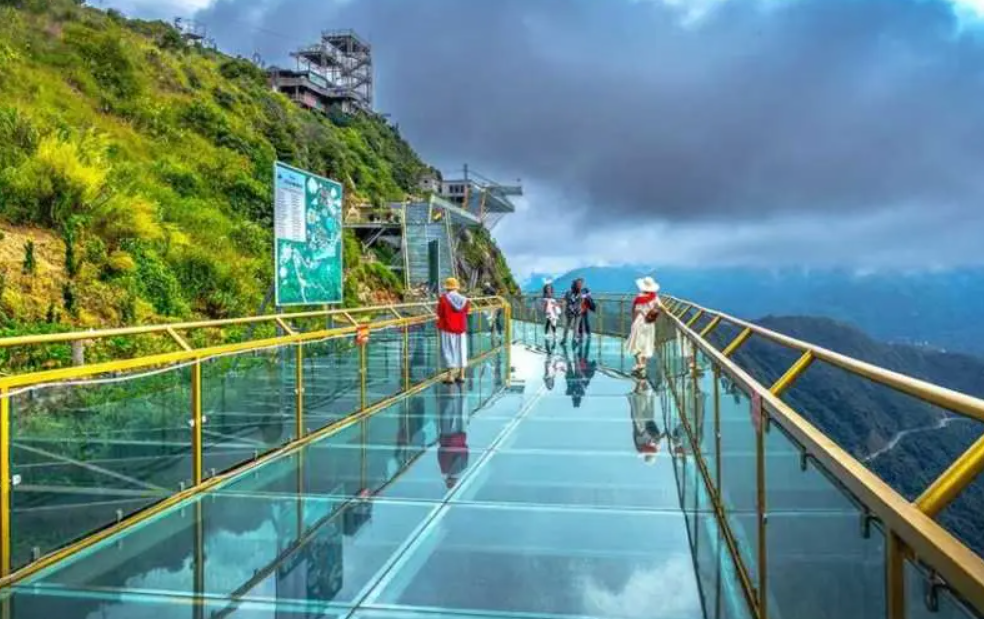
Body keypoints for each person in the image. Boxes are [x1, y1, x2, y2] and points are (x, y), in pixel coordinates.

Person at [437, 277, 470, 384]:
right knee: (461, 350)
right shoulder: (464, 300)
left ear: (447, 288)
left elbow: (440, 313)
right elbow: (466, 312)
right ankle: (462, 375)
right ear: (456, 287)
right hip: (461, 329)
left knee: (448, 350)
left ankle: (450, 376)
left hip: (447, 328)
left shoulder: (443, 299)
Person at [626, 276, 661, 377]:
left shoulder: (639, 297)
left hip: (640, 321)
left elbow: (636, 310)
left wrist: (633, 321)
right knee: (647, 343)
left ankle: (639, 364)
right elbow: (660, 306)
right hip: (650, 323)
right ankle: (643, 365)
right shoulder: (655, 297)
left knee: (635, 343)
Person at [437, 381, 469, 489]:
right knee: (449, 410)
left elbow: (466, 451)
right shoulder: (446, 469)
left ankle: (460, 385)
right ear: (449, 481)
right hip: (448, 438)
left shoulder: (463, 467)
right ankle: (450, 385)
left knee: (461, 410)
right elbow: (441, 453)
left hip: (461, 438)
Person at [628, 379, 661, 464]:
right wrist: (653, 439)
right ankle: (642, 379)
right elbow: (657, 434)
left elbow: (637, 435)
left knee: (638, 400)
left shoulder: (640, 447)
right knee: (645, 397)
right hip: (647, 422)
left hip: (641, 424)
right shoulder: (656, 445)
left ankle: (640, 380)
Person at [562, 279, 586, 343]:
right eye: (579, 284)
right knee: (568, 325)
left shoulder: (580, 293)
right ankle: (565, 338)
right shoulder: (571, 292)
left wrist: (581, 308)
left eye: (581, 284)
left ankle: (572, 338)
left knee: (575, 325)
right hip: (571, 311)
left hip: (577, 310)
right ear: (575, 285)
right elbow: (565, 300)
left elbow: (582, 301)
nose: (581, 286)